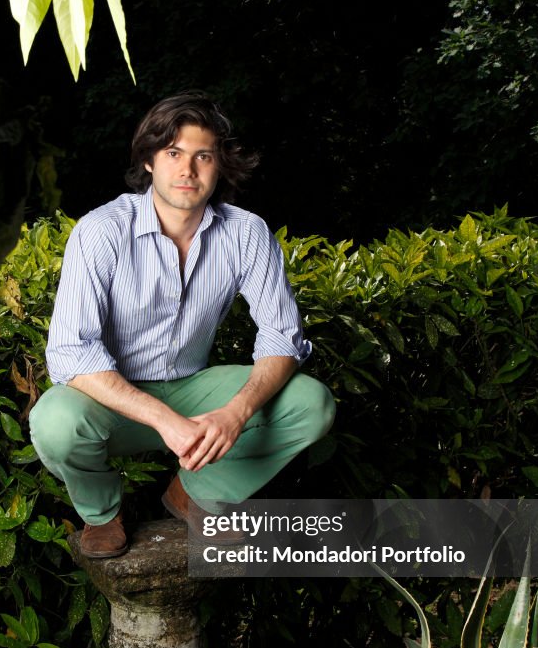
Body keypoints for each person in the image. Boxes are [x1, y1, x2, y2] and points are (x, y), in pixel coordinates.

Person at [29, 92, 335, 558]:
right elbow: (72, 354)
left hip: (194, 388)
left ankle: (194, 494)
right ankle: (102, 514)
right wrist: (164, 421)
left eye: (202, 156)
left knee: (312, 404)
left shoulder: (246, 232)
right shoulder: (102, 231)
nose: (187, 170)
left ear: (219, 165)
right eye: (173, 153)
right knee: (54, 422)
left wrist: (234, 413)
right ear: (150, 160)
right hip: (111, 400)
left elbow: (282, 336)